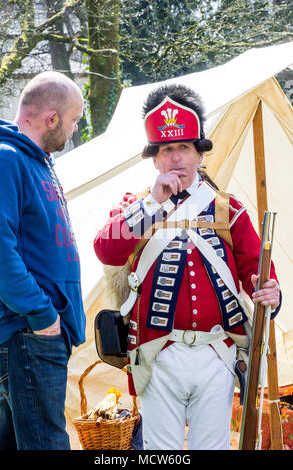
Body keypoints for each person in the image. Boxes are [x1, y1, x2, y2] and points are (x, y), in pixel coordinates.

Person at [93, 84, 281, 450]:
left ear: (198, 154)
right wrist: (153, 202)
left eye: (184, 148)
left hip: (218, 352)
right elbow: (107, 249)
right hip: (156, 353)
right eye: (167, 150)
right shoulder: (136, 206)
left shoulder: (228, 210)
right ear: (155, 160)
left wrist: (270, 290)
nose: (176, 158)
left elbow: (260, 272)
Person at [0, 71, 86, 450]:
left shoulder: (39, 163)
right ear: (51, 118)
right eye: (74, 120)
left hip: (39, 334)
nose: (75, 128)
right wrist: (42, 314)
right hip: (29, 332)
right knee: (47, 444)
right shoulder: (5, 159)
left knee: (14, 443)